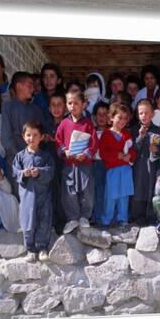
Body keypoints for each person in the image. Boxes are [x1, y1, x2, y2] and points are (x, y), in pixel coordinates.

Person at [55, 90, 99, 234]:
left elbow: (93, 142)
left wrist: (85, 154)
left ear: (83, 105)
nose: (72, 106)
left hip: (84, 164)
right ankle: (72, 218)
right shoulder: (63, 123)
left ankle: (85, 217)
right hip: (69, 164)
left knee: (87, 190)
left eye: (76, 103)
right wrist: (64, 151)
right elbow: (58, 140)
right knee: (69, 191)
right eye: (69, 103)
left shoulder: (87, 124)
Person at [12, 121, 55, 262]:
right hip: (27, 197)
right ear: (23, 137)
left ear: (41, 137)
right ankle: (30, 249)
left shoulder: (46, 156)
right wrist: (24, 173)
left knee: (44, 220)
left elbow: (50, 171)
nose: (32, 138)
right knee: (27, 222)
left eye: (35, 135)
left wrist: (39, 172)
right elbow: (14, 172)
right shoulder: (19, 156)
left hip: (43, 195)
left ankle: (42, 247)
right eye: (28, 135)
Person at [0, 72, 45, 197]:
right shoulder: (7, 107)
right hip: (15, 161)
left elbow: (42, 134)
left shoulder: (36, 110)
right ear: (19, 86)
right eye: (29, 85)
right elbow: (6, 137)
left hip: (34, 161)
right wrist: (19, 157)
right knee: (18, 196)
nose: (33, 88)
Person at [99, 103, 136, 228]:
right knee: (111, 195)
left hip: (126, 169)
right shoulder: (106, 134)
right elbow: (103, 153)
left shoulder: (127, 134)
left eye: (125, 118)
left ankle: (123, 219)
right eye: (119, 117)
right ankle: (106, 220)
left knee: (124, 195)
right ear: (111, 118)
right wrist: (118, 155)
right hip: (113, 170)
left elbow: (132, 150)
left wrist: (129, 156)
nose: (122, 121)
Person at [130, 99, 160, 225]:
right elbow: (133, 148)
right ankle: (137, 216)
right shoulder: (134, 130)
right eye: (141, 113)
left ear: (152, 114)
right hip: (139, 166)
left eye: (146, 113)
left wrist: (157, 150)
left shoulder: (158, 130)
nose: (144, 116)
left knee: (151, 189)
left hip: (152, 166)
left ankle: (150, 216)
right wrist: (141, 137)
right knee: (138, 189)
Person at [44, 92, 68, 234]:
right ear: (49, 108)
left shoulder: (68, 124)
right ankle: (52, 222)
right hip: (49, 164)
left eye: (60, 105)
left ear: (65, 107)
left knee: (64, 194)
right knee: (51, 193)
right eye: (53, 105)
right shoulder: (45, 124)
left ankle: (64, 222)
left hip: (64, 164)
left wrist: (57, 141)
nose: (56, 108)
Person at [91, 101, 110, 225]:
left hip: (109, 165)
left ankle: (107, 218)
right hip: (95, 164)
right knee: (96, 190)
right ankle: (96, 217)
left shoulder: (112, 133)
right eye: (99, 114)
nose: (102, 117)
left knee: (108, 191)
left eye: (105, 114)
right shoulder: (91, 132)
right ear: (94, 117)